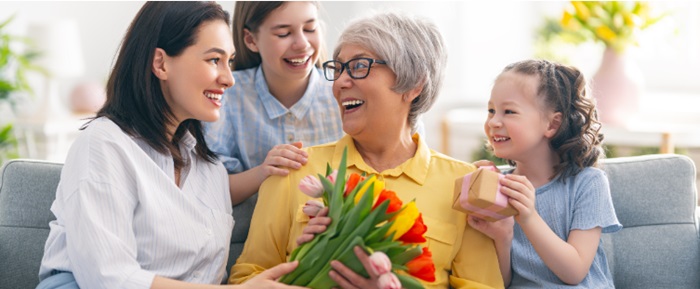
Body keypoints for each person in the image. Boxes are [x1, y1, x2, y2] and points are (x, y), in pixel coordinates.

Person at [36, 2, 306, 289]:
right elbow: (108, 278)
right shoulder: (104, 145)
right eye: (214, 60)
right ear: (161, 63)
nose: (228, 79)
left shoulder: (208, 168)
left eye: (230, 62)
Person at [229, 12, 504, 289]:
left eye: (359, 66)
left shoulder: (463, 184)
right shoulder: (293, 169)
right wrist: (309, 263)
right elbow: (247, 278)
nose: (339, 83)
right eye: (338, 68)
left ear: (413, 84)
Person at [468, 59, 622, 288]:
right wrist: (502, 237)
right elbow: (503, 282)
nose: (493, 122)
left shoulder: (588, 183)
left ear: (552, 124)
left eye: (509, 111)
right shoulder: (499, 186)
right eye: (491, 110)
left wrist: (528, 217)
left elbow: (575, 271)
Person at [204, 1, 343, 208]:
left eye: (310, 29)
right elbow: (208, 190)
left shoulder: (341, 92)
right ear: (251, 40)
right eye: (284, 34)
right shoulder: (226, 95)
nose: (302, 44)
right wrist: (263, 172)